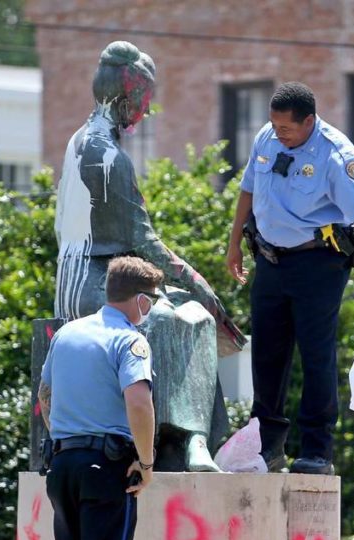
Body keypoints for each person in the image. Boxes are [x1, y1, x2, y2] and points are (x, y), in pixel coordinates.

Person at [55, 39, 245, 472]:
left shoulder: (79, 142)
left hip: (95, 277)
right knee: (185, 316)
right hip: (97, 284)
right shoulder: (107, 157)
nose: (145, 111)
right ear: (128, 94)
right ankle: (191, 438)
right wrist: (201, 284)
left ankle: (195, 438)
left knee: (180, 312)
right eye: (145, 99)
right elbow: (144, 240)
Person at [226, 81, 354, 475]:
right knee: (267, 356)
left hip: (318, 263)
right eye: (274, 127)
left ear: (309, 121)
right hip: (270, 260)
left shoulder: (336, 154)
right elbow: (247, 190)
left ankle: (316, 451)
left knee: (315, 354)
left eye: (287, 129)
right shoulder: (268, 136)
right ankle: (266, 447)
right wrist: (234, 245)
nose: (279, 135)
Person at [36, 256, 162, 540]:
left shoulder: (67, 334)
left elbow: (45, 394)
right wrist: (145, 464)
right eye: (152, 300)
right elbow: (139, 402)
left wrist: (67, 440)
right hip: (107, 467)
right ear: (140, 300)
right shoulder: (130, 342)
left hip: (63, 463)